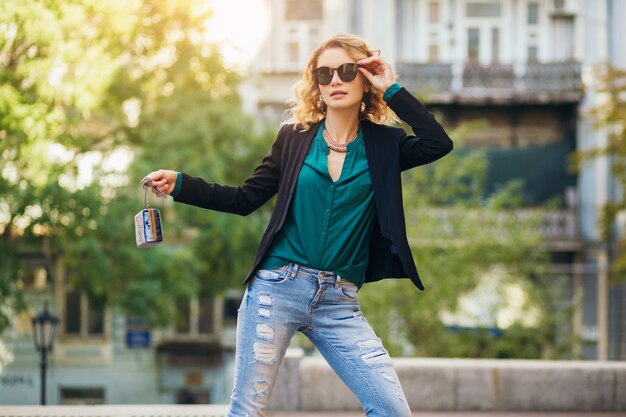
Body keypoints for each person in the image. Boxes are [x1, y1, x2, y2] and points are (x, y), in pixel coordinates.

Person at [143, 33, 453, 417]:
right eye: (325, 74)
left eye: (346, 70)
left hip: (339, 300)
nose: (335, 80)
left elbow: (438, 142)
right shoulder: (294, 138)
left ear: (364, 78)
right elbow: (244, 199)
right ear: (316, 85)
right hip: (276, 289)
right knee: (246, 411)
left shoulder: (385, 145)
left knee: (392, 411)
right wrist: (182, 184)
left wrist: (391, 87)